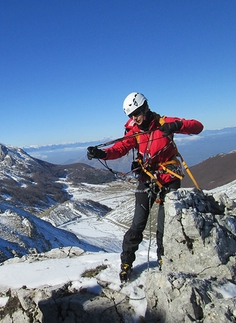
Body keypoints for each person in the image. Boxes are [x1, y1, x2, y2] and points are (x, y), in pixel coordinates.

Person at [87, 92, 203, 282]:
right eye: (131, 116)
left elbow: (198, 126)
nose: (134, 118)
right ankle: (126, 263)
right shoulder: (134, 131)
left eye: (137, 113)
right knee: (138, 223)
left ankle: (164, 259)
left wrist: (177, 126)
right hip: (147, 177)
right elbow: (120, 148)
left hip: (169, 177)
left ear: (145, 108)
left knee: (165, 224)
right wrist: (102, 154)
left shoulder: (164, 122)